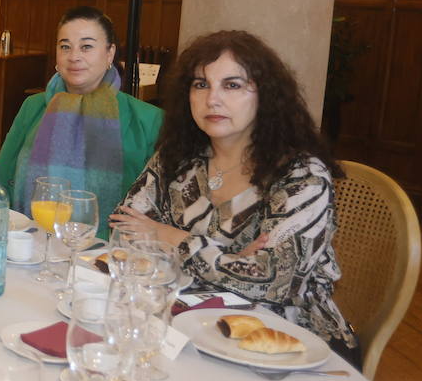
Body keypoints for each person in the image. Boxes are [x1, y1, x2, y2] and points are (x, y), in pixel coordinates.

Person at [110, 30, 357, 357]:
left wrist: (169, 236)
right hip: (189, 322)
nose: (212, 99)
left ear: (265, 94)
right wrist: (232, 260)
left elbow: (270, 283)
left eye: (232, 85)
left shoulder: (301, 176)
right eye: (201, 84)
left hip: (290, 341)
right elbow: (124, 232)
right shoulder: (178, 157)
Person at [0, 6, 162, 237]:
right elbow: (0, 178)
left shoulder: (148, 119)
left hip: (106, 250)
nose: (74, 56)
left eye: (86, 47)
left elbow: (157, 207)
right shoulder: (34, 106)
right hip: (30, 240)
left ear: (110, 53)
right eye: (65, 47)